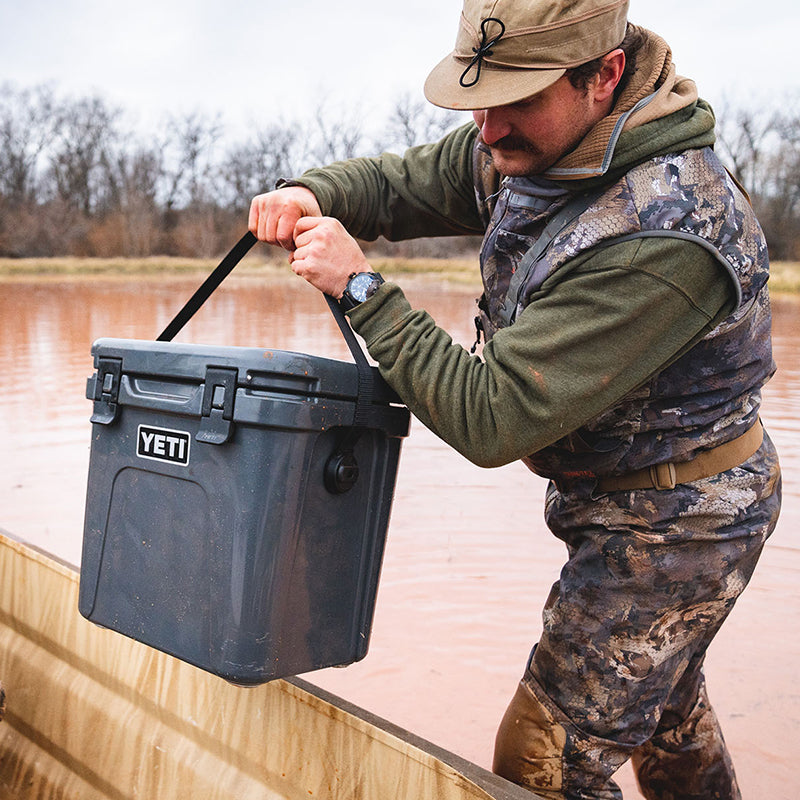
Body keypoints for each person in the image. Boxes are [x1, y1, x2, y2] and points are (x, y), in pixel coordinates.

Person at [249, 1, 782, 797]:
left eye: (517, 101)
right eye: (481, 102)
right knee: (664, 716)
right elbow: (405, 184)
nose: (490, 131)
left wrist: (362, 286)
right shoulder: (542, 140)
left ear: (603, 77)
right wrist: (310, 190)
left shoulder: (667, 232)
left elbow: (490, 414)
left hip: (682, 526)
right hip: (617, 494)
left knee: (542, 758)